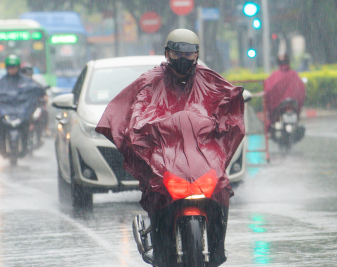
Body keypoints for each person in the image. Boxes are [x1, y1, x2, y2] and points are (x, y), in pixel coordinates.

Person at [96, 28, 245, 217]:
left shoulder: (209, 79)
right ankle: (160, 231)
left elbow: (228, 99)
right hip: (162, 148)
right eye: (177, 54)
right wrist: (145, 128)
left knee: (219, 186)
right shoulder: (150, 81)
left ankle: (218, 235)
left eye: (188, 54)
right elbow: (136, 110)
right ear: (167, 54)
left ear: (196, 55)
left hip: (203, 148)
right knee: (158, 188)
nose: (183, 59)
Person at [0, 54, 45, 150]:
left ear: (18, 68)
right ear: (7, 68)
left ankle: (27, 143)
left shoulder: (27, 82)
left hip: (22, 113)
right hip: (5, 113)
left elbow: (37, 90)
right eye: (10, 67)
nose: (12, 70)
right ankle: (0, 143)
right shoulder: (0, 83)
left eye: (14, 67)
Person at [262, 53, 306, 126]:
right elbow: (301, 90)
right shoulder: (294, 74)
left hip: (279, 106)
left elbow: (268, 89)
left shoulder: (275, 75)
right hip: (292, 104)